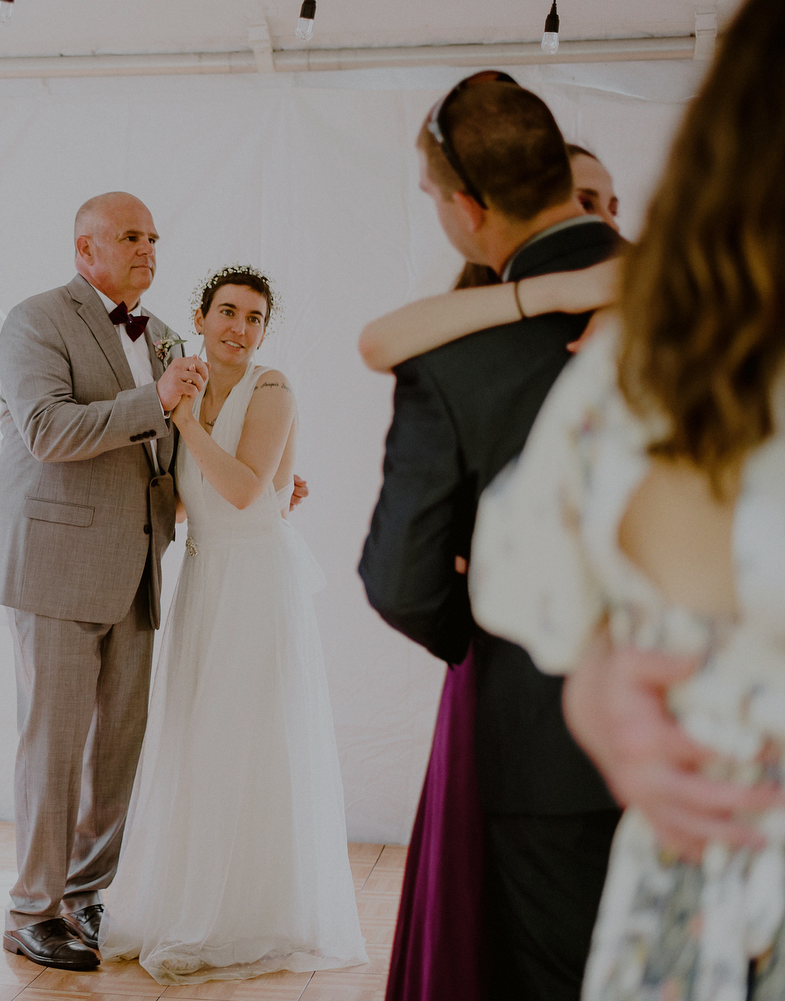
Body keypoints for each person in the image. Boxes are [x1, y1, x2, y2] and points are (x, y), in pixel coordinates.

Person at [469, 0, 785, 994]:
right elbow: (511, 558)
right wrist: (597, 676)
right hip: (696, 914)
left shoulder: (637, 355)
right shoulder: (642, 361)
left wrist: (592, 677)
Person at [358, 73, 624, 1001]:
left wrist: (485, 625)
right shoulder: (708, 298)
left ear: (468, 210)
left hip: (544, 741)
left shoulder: (455, 355)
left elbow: (400, 580)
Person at [101, 266, 367, 983]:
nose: (239, 329)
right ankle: (180, 902)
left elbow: (248, 491)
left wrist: (189, 425)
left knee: (243, 738)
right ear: (200, 316)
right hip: (207, 577)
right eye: (227, 313)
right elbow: (194, 503)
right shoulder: (187, 382)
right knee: (196, 735)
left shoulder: (271, 387)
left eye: (253, 319)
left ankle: (238, 915)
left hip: (255, 583)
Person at [0, 191, 200, 970]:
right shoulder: (35, 320)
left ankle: (85, 895)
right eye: (130, 235)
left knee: (117, 751)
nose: (147, 247)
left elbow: (169, 453)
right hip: (56, 568)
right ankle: (30, 909)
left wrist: (258, 489)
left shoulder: (168, 334)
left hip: (139, 566)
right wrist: (155, 400)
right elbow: (45, 429)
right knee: (54, 746)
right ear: (85, 248)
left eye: (153, 236)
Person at [358, 144, 623, 373]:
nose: (610, 224)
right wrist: (567, 290)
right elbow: (376, 344)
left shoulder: (637, 274)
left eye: (613, 209)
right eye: (585, 204)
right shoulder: (481, 308)